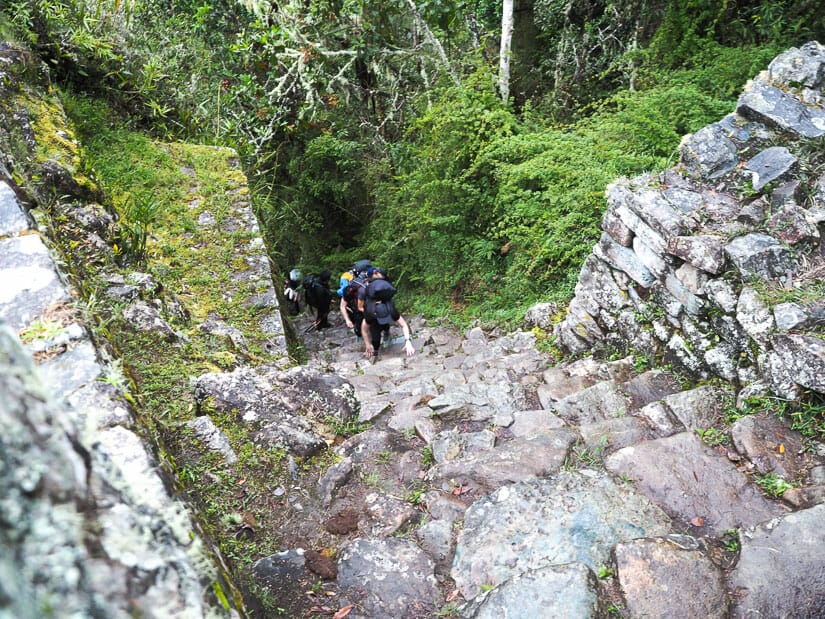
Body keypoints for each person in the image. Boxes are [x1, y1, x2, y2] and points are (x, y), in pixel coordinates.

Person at [359, 267, 415, 359]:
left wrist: (408, 342)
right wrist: (368, 344)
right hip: (374, 320)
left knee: (385, 326)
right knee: (375, 340)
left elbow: (404, 325)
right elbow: (364, 330)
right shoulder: (370, 313)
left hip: (383, 305)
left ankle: (386, 332)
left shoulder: (391, 310)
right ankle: (376, 350)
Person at [339, 260, 371, 338]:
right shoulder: (352, 287)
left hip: (366, 312)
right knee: (361, 332)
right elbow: (343, 305)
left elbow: (342, 306)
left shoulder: (374, 281)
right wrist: (347, 320)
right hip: (361, 313)